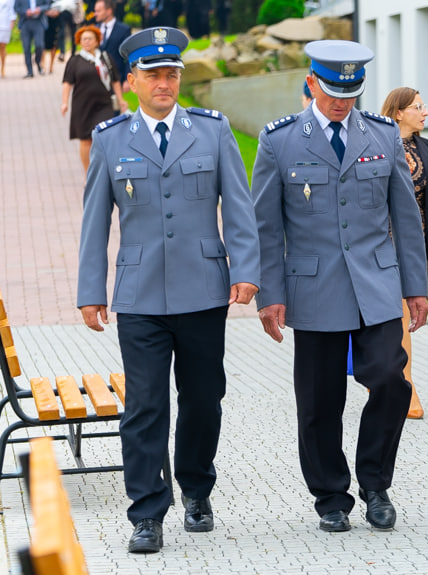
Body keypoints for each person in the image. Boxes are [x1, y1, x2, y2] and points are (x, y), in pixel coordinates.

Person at [77, 26, 260, 553]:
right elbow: (95, 223)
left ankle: (197, 490)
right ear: (131, 80)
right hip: (139, 297)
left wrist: (246, 269)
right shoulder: (112, 138)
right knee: (145, 405)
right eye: (153, 75)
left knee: (204, 399)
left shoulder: (212, 130)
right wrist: (91, 290)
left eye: (172, 74)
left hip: (204, 290)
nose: (164, 82)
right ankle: (147, 512)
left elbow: (239, 207)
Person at [252, 39, 428, 533]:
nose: (342, 101)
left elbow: (405, 217)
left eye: (351, 92)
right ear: (311, 82)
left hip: (375, 284)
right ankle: (331, 495)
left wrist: (416, 287)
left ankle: (375, 483)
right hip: (312, 289)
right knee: (318, 403)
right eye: (332, 90)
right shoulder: (280, 140)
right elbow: (266, 225)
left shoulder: (381, 135)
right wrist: (271, 294)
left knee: (392, 381)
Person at [380, 87, 428, 419]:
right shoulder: (378, 144)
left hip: (417, 245)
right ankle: (402, 386)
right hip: (383, 243)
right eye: (417, 107)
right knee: (392, 317)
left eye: (424, 106)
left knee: (402, 317)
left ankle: (389, 380)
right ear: (398, 112)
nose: (424, 112)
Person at [60, 25, 127, 172]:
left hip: (104, 105)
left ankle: (105, 172)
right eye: (83, 39)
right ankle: (88, 174)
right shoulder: (75, 60)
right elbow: (67, 82)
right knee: (85, 140)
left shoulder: (105, 58)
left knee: (104, 137)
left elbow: (115, 80)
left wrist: (121, 100)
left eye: (90, 39)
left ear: (97, 41)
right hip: (82, 106)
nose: (87, 42)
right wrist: (64, 102)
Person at [94, 0, 130, 92]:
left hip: (117, 79)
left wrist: (127, 79)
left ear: (109, 11)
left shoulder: (124, 30)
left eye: (98, 11)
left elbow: (129, 56)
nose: (95, 14)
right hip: (96, 80)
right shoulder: (94, 29)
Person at [13, 0, 50, 78]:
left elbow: (48, 5)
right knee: (26, 47)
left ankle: (37, 61)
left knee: (39, 45)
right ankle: (30, 71)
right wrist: (25, 11)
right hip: (25, 23)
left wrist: (39, 9)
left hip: (38, 22)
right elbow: (16, 8)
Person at [0, 0, 15, 78]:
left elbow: (12, 9)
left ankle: (2, 68)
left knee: (2, 47)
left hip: (4, 24)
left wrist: (12, 21)